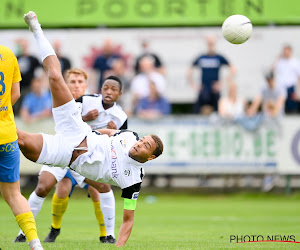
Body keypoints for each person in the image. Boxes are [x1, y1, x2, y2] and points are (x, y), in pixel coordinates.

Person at [20, 11, 163, 247]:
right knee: (55, 77)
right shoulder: (130, 136)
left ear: (150, 157)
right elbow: (111, 133)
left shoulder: (133, 181)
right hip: (78, 130)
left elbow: (128, 220)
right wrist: (102, 132)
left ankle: (103, 235)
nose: (139, 143)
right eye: (142, 140)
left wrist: (119, 247)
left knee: (21, 140)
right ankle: (36, 29)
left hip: (66, 155)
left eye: (145, 146)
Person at [14, 70, 126, 244]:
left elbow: (123, 140)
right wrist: (85, 118)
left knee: (102, 187)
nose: (76, 85)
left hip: (84, 158)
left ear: (87, 86)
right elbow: (66, 121)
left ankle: (108, 235)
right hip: (62, 151)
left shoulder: (117, 114)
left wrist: (116, 133)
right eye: (72, 82)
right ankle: (24, 232)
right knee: (44, 186)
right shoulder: (71, 103)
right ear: (65, 85)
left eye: (80, 82)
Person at [0, 44, 43, 249]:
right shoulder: (8, 54)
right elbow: (15, 94)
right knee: (14, 193)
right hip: (7, 134)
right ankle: (34, 242)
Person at [187, 36, 235, 114]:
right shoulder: (202, 57)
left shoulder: (219, 57)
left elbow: (233, 69)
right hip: (204, 89)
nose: (211, 45)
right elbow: (190, 70)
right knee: (197, 111)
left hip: (214, 90)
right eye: (209, 43)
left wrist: (222, 83)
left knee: (218, 111)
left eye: (212, 43)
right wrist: (193, 85)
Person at [14, 38, 41, 114]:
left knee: (27, 105)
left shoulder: (33, 59)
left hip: (30, 87)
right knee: (16, 105)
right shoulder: (16, 58)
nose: (24, 47)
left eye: (25, 46)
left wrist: (37, 84)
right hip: (18, 86)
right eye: (22, 46)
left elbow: (40, 71)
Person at [273, 45, 300, 113]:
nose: (285, 53)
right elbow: (272, 70)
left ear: (290, 51)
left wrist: (298, 90)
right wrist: (277, 59)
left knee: (292, 106)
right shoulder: (280, 62)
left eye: (287, 51)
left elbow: (299, 76)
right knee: (281, 106)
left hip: (291, 86)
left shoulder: (295, 62)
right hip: (281, 86)